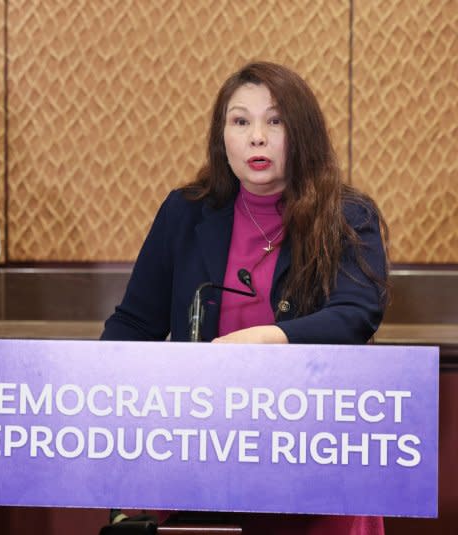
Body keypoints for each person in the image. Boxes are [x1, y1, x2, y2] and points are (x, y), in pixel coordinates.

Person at [101, 62, 389, 534]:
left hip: (314, 456)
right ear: (223, 137)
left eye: (275, 121)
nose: (257, 136)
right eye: (241, 121)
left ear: (302, 133)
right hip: (203, 454)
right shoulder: (186, 212)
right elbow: (134, 324)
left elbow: (355, 315)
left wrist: (268, 339)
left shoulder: (347, 216)